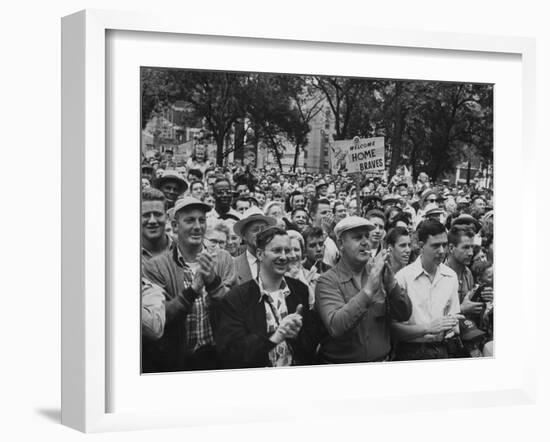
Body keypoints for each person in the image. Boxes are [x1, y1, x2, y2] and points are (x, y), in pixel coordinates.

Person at [142, 197, 236, 372]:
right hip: (177, 362)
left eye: (202, 220)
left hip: (217, 358)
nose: (197, 226)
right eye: (190, 220)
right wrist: (192, 291)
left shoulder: (223, 258)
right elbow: (160, 318)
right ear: (175, 226)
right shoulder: (156, 266)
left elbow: (233, 308)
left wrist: (213, 283)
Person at [215, 226, 321, 368]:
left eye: (287, 250)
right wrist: (275, 337)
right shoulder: (238, 298)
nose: (284, 257)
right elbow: (233, 353)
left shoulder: (300, 290)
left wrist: (297, 335)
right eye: (276, 250)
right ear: (260, 254)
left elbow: (311, 343)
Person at [315, 216, 412, 363]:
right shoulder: (327, 281)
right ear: (341, 243)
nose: (365, 242)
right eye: (357, 238)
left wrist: (391, 284)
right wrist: (369, 290)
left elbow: (404, 314)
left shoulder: (379, 273)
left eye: (367, 236)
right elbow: (336, 326)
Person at [391, 220, 464, 360]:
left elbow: (453, 317)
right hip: (410, 352)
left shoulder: (450, 276)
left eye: (444, 245)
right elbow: (393, 329)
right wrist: (428, 328)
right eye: (436, 245)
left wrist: (451, 327)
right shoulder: (403, 278)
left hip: (442, 350)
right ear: (421, 246)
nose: (442, 251)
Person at [445, 226, 484, 318]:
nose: (471, 253)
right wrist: (461, 309)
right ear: (451, 248)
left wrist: (482, 297)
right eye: (466, 247)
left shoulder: (468, 273)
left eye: (472, 247)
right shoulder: (439, 275)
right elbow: (432, 316)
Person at [232, 206, 277, 285]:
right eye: (255, 230)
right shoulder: (233, 265)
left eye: (264, 229)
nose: (260, 233)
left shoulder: (277, 261)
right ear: (244, 236)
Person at [141, 188, 172, 261]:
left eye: (158, 214)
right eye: (146, 215)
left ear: (167, 217)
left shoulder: (183, 249)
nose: (152, 221)